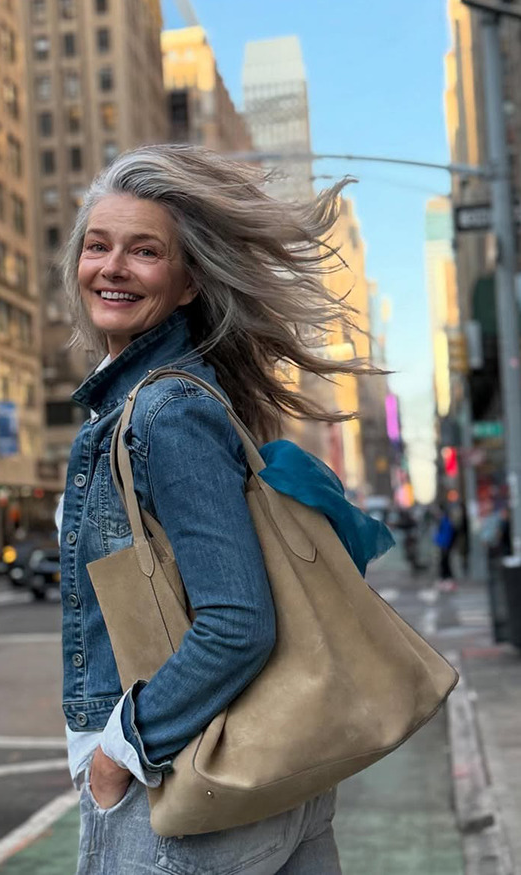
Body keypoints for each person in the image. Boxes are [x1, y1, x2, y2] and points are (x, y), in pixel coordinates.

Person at [57, 144, 380, 874]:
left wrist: (119, 749)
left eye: (144, 251)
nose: (112, 267)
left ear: (186, 282)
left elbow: (238, 620)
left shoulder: (164, 410)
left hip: (188, 788)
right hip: (265, 774)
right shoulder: (169, 400)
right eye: (97, 245)